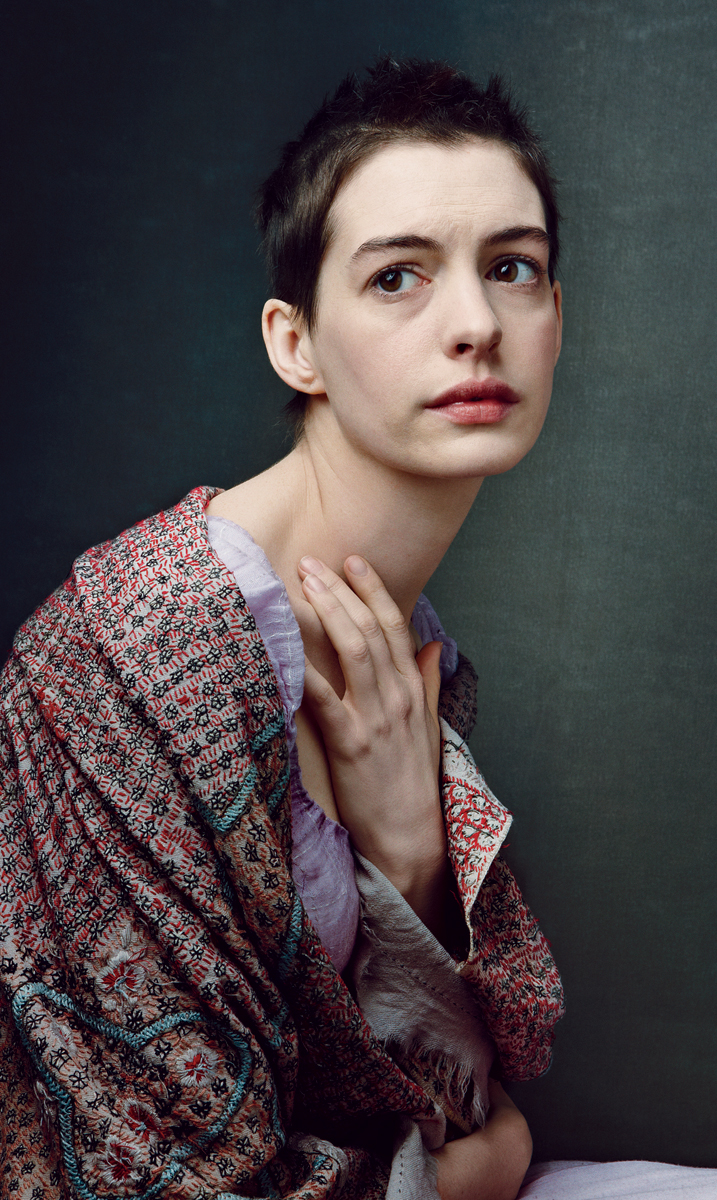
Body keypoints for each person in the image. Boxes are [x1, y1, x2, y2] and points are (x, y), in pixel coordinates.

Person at [0, 58, 564, 1200]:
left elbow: (439, 1086)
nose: (476, 325)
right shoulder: (138, 648)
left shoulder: (404, 654)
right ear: (293, 341)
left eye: (513, 268)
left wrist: (408, 857)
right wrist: (477, 1176)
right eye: (398, 277)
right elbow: (167, 1178)